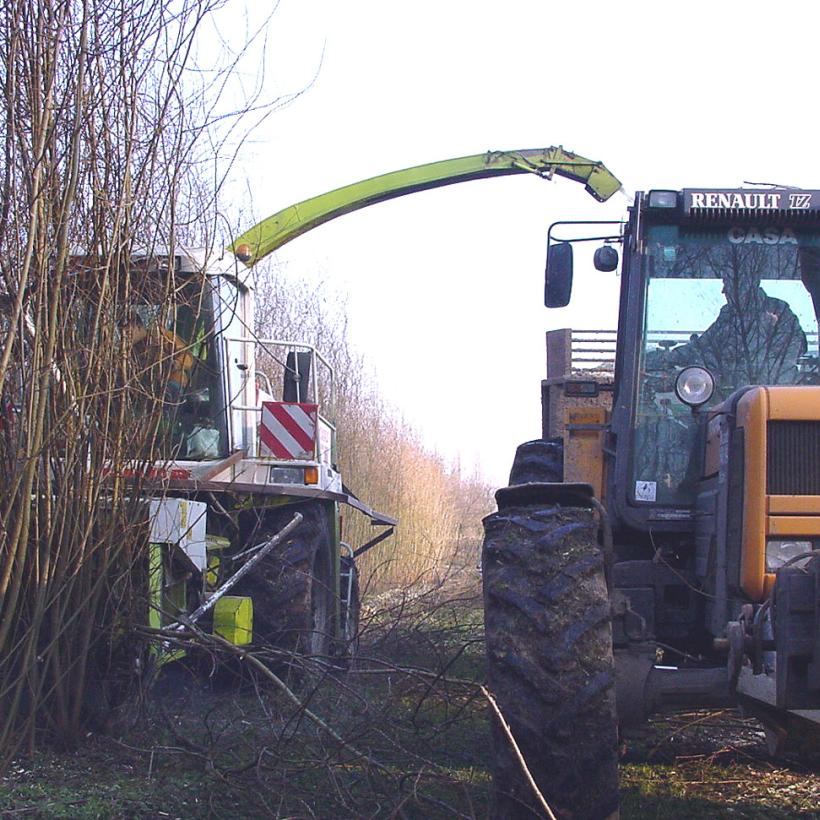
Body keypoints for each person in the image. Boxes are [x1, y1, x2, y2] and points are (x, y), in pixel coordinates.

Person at [646, 265, 807, 393]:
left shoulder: (779, 311)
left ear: (745, 285)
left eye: (727, 284)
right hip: (730, 396)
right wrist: (667, 357)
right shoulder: (729, 314)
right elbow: (702, 347)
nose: (723, 290)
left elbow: (789, 354)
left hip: (770, 394)